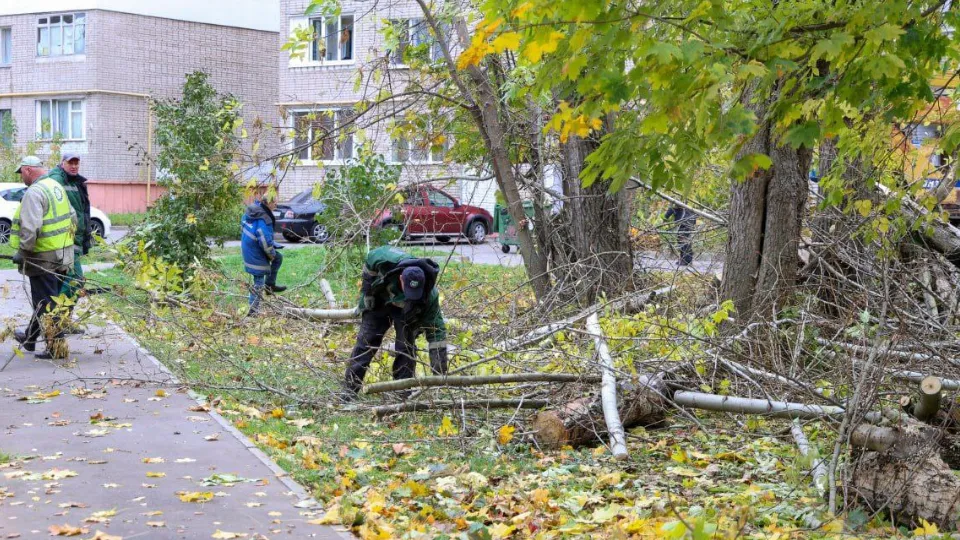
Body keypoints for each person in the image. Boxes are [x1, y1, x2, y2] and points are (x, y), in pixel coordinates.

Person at [342, 246, 449, 400]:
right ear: (401, 278)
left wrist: (439, 369)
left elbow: (436, 330)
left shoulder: (428, 296)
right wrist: (367, 291)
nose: (411, 295)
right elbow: (369, 262)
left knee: (405, 347)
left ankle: (402, 393)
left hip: (407, 311)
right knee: (366, 341)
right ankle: (349, 390)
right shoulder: (385, 258)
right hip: (379, 298)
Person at [11, 156, 77, 359]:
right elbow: (73, 217)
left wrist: (23, 252)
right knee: (49, 298)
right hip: (62, 255)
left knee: (46, 303)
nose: (21, 176)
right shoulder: (55, 186)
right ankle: (30, 339)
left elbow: (31, 228)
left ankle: (56, 349)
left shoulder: (35, 192)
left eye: (21, 172)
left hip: (42, 258)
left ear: (28, 170)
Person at [43, 153, 92, 330]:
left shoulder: (76, 182)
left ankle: (61, 321)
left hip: (75, 240)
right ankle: (55, 321)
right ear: (62, 163)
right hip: (65, 242)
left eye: (76, 163)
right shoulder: (56, 179)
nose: (74, 166)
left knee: (66, 282)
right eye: (70, 163)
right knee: (75, 280)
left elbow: (82, 212)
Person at [241, 198, 286, 314]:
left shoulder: (254, 210)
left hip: (250, 247)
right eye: (274, 201)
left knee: (278, 258)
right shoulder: (263, 217)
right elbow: (265, 242)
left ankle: (270, 286)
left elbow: (244, 224)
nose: (276, 203)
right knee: (259, 280)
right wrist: (271, 254)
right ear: (267, 203)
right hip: (256, 251)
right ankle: (253, 311)